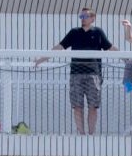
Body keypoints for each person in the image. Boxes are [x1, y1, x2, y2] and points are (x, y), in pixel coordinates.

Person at [35, 8, 112, 137]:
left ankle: (91, 134)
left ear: (93, 18)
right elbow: (59, 47)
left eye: (86, 16)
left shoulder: (98, 32)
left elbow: (110, 47)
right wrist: (41, 59)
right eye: (81, 16)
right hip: (76, 74)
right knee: (77, 105)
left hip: (93, 73)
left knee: (93, 105)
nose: (83, 18)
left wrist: (126, 59)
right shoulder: (74, 32)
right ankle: (81, 134)